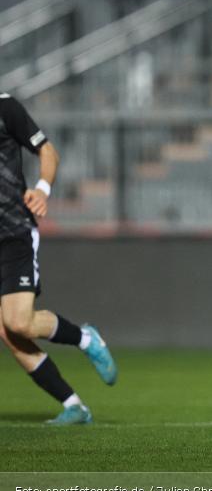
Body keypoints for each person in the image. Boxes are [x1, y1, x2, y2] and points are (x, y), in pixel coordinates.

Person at [0, 93, 118, 425]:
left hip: (13, 233)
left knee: (18, 323)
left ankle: (85, 338)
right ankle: (74, 405)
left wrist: (42, 189)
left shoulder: (5, 108)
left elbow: (48, 151)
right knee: (8, 332)